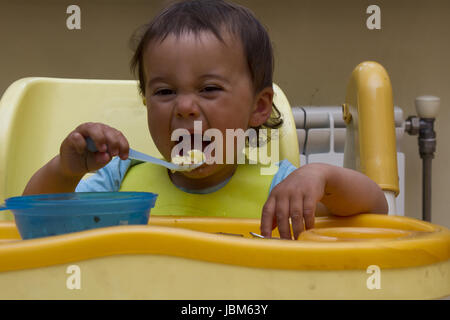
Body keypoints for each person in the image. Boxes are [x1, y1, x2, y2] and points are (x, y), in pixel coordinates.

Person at [22, 0, 388, 239]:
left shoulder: (279, 188)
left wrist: (320, 176)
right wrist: (65, 170)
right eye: (164, 92)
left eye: (209, 89)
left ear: (259, 108)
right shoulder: (120, 179)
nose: (184, 107)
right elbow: (34, 229)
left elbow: (375, 207)